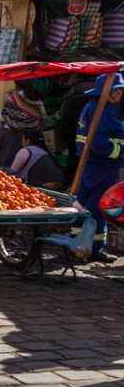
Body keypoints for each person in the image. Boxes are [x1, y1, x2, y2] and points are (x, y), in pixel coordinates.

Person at [74, 72, 124, 262]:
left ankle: (92, 248)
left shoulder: (108, 109)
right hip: (97, 168)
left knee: (100, 208)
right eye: (116, 91)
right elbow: (100, 144)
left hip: (105, 167)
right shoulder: (97, 110)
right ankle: (83, 247)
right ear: (105, 92)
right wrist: (122, 149)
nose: (119, 95)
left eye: (120, 91)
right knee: (94, 208)